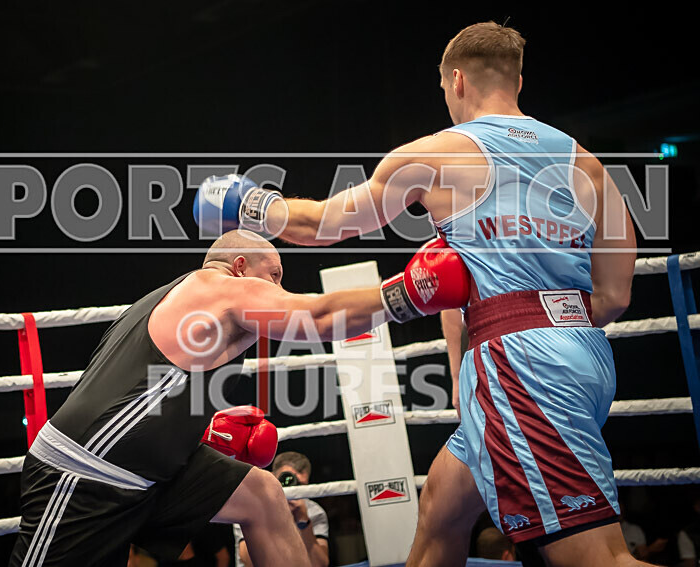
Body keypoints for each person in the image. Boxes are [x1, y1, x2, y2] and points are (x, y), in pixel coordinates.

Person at [194, 20, 645, 567]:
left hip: (521, 365)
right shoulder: (588, 165)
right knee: (442, 511)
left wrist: (247, 204)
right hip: (585, 360)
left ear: (456, 82)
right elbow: (616, 295)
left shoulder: (438, 154)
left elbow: (322, 225)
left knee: (598, 557)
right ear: (519, 82)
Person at [9, 230, 461, 567]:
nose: (279, 291)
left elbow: (140, 391)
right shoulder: (223, 288)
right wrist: (408, 293)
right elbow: (320, 318)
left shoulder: (186, 303)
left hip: (145, 475)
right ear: (241, 266)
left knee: (261, 493)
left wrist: (201, 432)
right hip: (82, 476)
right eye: (275, 276)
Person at [234, 452, 329, 567]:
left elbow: (319, 564)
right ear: (273, 477)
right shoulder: (250, 506)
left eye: (301, 485)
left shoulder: (314, 511)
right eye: (288, 480)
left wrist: (304, 523)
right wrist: (272, 515)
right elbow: (249, 563)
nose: (294, 488)